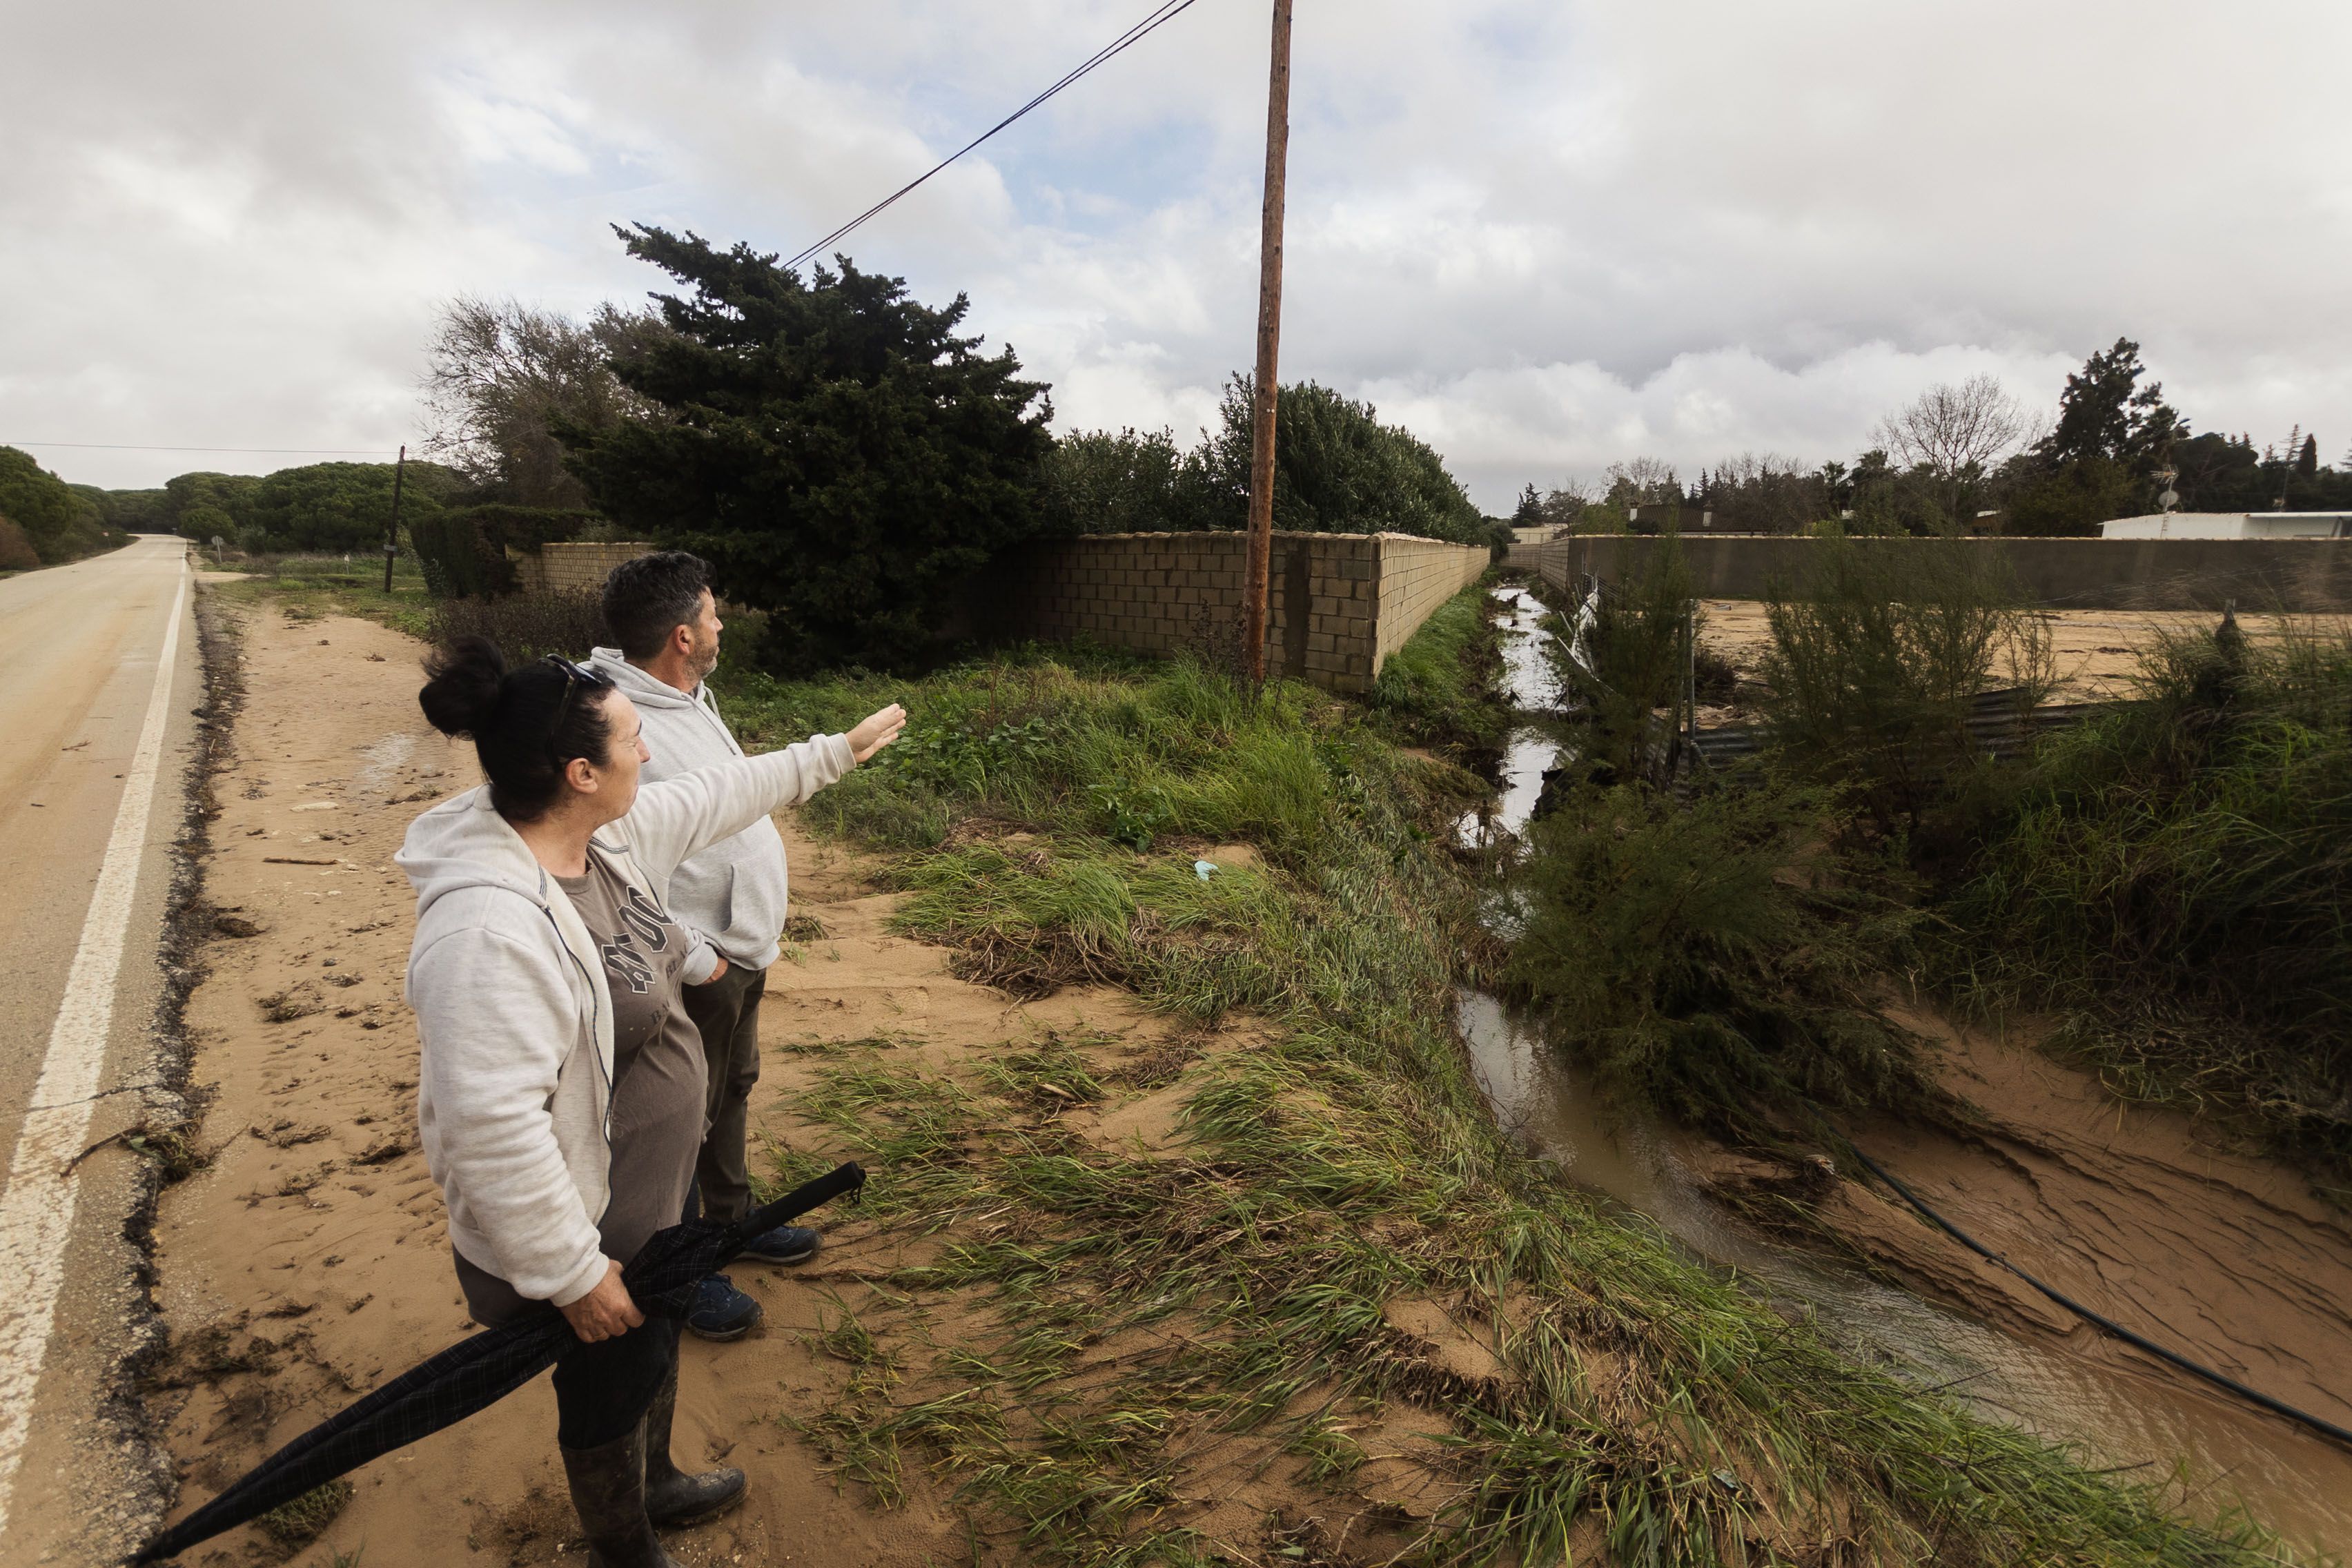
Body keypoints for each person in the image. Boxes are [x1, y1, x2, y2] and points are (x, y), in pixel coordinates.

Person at [400, 637, 903, 1568]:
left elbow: (720, 793)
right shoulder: (486, 929)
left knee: (651, 1349)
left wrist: (837, 752)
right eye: (634, 738)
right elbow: (488, 1129)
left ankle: (658, 1481)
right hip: (584, 1234)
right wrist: (573, 1272)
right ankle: (623, 1548)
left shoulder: (604, 838)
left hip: (648, 1204)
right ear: (580, 772)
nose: (651, 752)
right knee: (604, 1385)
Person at [587, 552, 809, 1341]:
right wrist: (692, 955)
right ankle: (678, 1271)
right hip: (692, 959)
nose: (722, 626)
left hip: (740, 946)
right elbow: (607, 861)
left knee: (731, 1088)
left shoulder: (686, 697)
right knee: (677, 1117)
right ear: (683, 636)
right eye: (713, 616)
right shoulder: (613, 721)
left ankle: (730, 1221)